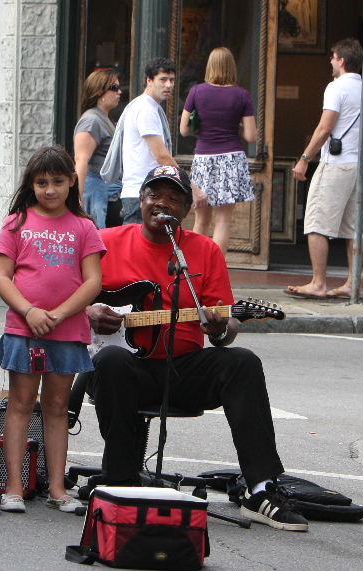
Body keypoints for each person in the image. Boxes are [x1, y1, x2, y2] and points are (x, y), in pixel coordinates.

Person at [86, 164, 309, 532]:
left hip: (184, 368)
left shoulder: (203, 251)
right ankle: (119, 483)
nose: (162, 204)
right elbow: (67, 297)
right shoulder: (106, 240)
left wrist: (221, 328)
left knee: (242, 363)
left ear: (186, 211)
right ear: (140, 201)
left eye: (173, 199)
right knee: (111, 358)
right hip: (123, 369)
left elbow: (228, 327)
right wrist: (89, 311)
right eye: (155, 195)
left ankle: (260, 488)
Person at [0, 146, 105, 514]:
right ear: (31, 185)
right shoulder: (16, 223)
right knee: (21, 405)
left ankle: (58, 488)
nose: (51, 190)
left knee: (57, 408)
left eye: (58, 181)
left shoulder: (84, 227)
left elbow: (92, 282)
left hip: (67, 333)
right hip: (24, 331)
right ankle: (13, 486)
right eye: (42, 183)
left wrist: (56, 314)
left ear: (72, 182)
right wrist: (29, 311)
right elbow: (2, 277)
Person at [286, 38, 363, 300]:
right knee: (351, 227)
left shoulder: (335, 87)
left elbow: (325, 128)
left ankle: (318, 282)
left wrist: (305, 158)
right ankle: (350, 282)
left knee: (316, 223)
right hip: (357, 164)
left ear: (342, 61)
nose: (331, 61)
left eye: (333, 57)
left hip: (335, 164)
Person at [179, 47, 257, 254]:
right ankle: (217, 270)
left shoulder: (196, 92)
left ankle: (194, 268)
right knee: (223, 221)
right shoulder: (242, 95)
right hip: (231, 157)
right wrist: (238, 126)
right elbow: (251, 137)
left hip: (204, 157)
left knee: (201, 220)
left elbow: (184, 129)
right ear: (232, 67)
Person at [102, 58, 182, 225]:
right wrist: (188, 186)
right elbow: (162, 156)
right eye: (163, 79)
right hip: (141, 192)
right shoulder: (146, 109)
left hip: (144, 191)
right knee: (135, 247)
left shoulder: (147, 107)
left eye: (172, 80)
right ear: (149, 80)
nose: (168, 85)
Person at [73, 69, 123, 229]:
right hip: (95, 195)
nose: (119, 92)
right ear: (99, 92)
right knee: (97, 245)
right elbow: (81, 160)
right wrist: (78, 199)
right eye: (114, 88)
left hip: (109, 195)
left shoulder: (104, 118)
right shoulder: (91, 120)